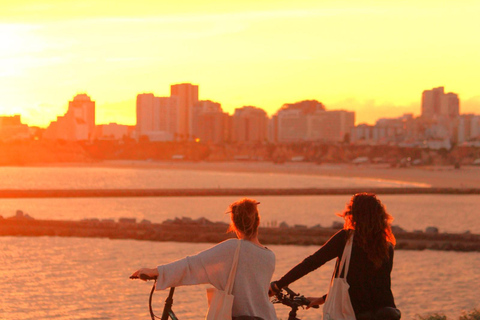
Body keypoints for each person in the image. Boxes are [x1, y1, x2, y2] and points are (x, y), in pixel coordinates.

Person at [131, 198, 277, 320]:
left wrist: (156, 272)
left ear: (235, 225)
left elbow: (192, 265)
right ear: (257, 222)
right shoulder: (270, 257)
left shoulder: (233, 248)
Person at [270, 193, 401, 320]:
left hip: (353, 313)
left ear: (354, 215)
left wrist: (277, 285)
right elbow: (371, 286)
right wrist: (322, 299)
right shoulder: (386, 246)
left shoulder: (346, 239)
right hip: (385, 312)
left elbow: (311, 263)